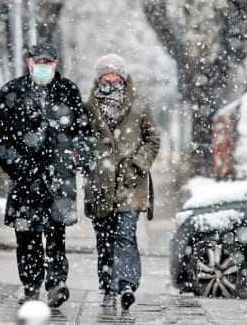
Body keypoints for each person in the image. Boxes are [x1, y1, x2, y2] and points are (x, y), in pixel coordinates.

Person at [0, 42, 92, 307]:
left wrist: (75, 156)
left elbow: (83, 132)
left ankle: (57, 283)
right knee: (27, 236)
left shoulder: (68, 91)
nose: (44, 67)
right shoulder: (12, 91)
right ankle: (31, 286)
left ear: (55, 64)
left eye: (49, 62)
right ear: (29, 63)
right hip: (25, 180)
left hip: (58, 178)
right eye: (39, 62)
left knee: (56, 235)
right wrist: (18, 164)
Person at [83, 53, 161, 310]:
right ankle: (107, 286)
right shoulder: (89, 107)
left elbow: (152, 139)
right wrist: (87, 162)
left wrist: (138, 163)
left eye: (115, 74)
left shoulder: (139, 105)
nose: (111, 78)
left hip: (130, 184)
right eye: (105, 74)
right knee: (104, 239)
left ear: (123, 76)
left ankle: (126, 284)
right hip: (99, 185)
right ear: (99, 78)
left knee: (125, 235)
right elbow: (81, 141)